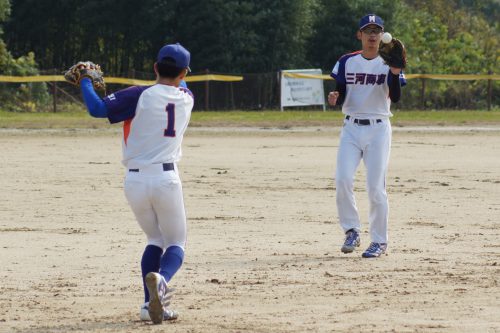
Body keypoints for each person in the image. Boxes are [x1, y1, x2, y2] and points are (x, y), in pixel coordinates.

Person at [78, 43, 194, 323]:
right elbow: (177, 81)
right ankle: (163, 282)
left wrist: (85, 81)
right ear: (183, 73)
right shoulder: (187, 96)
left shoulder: (138, 95)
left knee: (154, 239)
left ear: (154, 67)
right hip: (166, 179)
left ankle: (147, 306)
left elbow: (97, 110)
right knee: (175, 242)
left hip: (134, 181)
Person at [328, 14, 406, 258]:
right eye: (367, 30)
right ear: (359, 35)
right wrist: (334, 98)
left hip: (378, 128)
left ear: (382, 35)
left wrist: (394, 72)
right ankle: (351, 230)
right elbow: (340, 91)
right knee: (342, 180)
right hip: (351, 128)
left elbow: (396, 97)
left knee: (375, 188)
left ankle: (379, 241)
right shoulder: (347, 61)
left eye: (377, 30)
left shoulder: (386, 63)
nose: (372, 34)